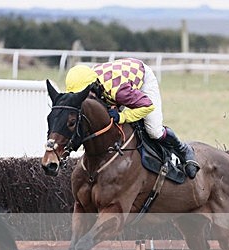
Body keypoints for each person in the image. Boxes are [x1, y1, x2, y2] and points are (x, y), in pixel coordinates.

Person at [65, 58, 200, 178]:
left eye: (85, 94)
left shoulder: (119, 92)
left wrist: (122, 116)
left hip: (142, 80)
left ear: (92, 85)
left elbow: (147, 106)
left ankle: (183, 150)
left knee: (154, 131)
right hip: (119, 80)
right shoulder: (87, 79)